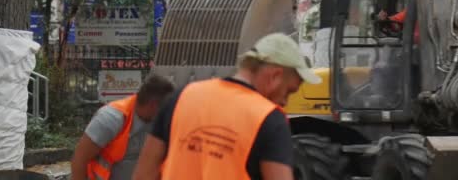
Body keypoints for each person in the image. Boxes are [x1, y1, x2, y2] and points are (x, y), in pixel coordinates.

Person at [132, 33, 322, 180]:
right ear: (275, 76)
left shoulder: (182, 97)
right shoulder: (269, 118)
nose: (284, 102)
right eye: (288, 91)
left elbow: (143, 175)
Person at [71, 75, 175, 180]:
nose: (168, 113)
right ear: (153, 105)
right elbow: (79, 159)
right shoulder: (111, 118)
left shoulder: (158, 123)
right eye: (166, 108)